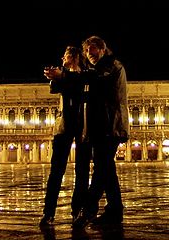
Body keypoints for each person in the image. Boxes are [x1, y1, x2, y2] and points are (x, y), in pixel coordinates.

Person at [44, 35, 129, 227]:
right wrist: (61, 75)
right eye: (87, 50)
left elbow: (95, 80)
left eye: (93, 49)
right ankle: (113, 211)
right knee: (107, 170)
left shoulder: (110, 66)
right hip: (101, 126)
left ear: (102, 48)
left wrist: (65, 75)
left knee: (101, 169)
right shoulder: (98, 69)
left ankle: (88, 210)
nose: (89, 53)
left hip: (110, 125)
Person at [39, 46, 91, 227]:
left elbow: (80, 80)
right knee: (56, 172)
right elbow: (54, 88)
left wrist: (63, 75)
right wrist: (57, 76)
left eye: (66, 55)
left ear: (75, 57)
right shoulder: (63, 75)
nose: (62, 58)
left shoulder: (87, 74)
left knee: (82, 172)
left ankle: (77, 211)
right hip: (64, 126)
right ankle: (48, 213)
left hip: (84, 125)